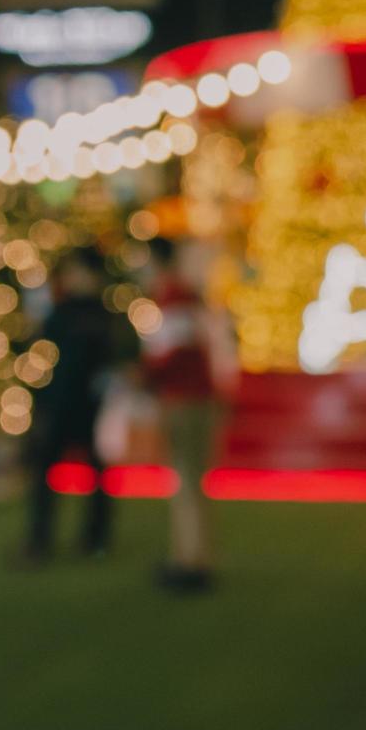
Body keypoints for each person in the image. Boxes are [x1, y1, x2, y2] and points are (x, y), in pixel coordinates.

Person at [17, 247, 137, 565]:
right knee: (47, 469)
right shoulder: (63, 311)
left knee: (97, 472)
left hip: (91, 405)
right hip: (62, 402)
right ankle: (42, 537)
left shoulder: (103, 315)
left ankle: (95, 536)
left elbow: (117, 358)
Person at [142, 237, 235, 593]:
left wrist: (145, 374)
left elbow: (176, 353)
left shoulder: (175, 298)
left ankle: (192, 560)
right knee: (189, 479)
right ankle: (191, 554)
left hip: (186, 399)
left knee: (187, 479)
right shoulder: (183, 297)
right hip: (193, 397)